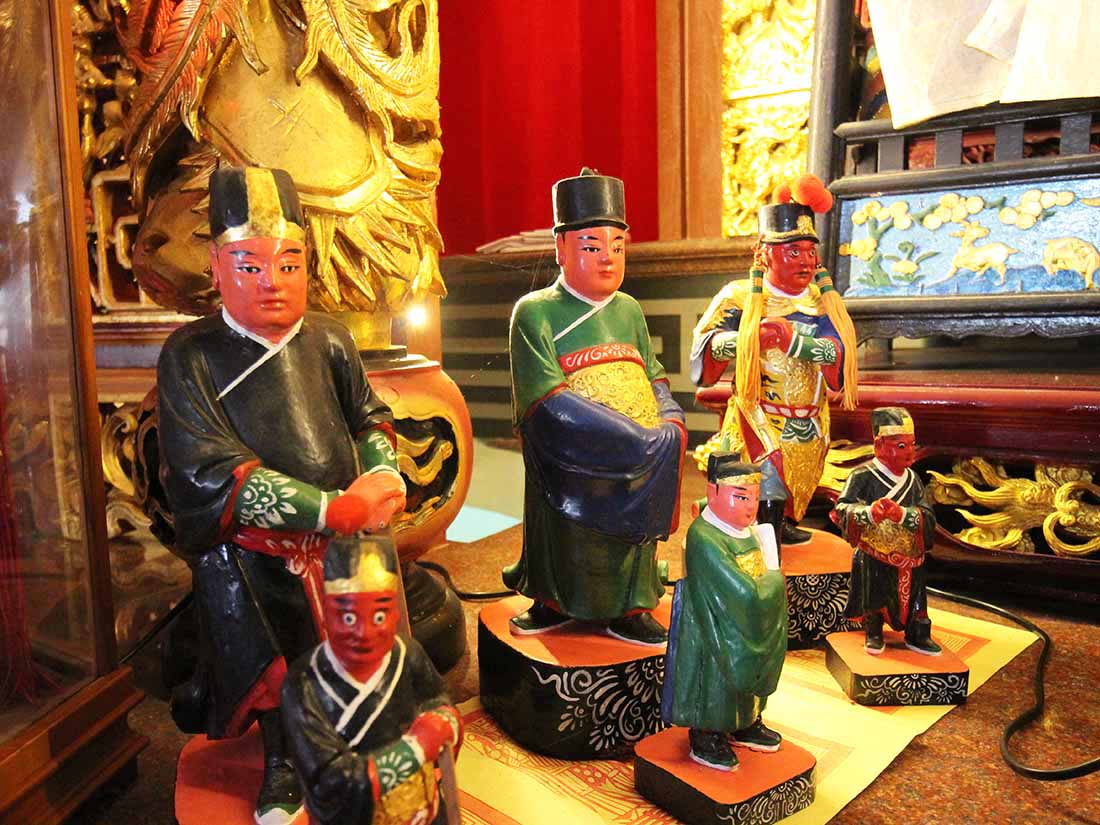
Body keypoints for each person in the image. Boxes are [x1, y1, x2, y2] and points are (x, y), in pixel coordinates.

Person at [157, 166, 407, 825]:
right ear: (216, 268)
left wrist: (383, 476)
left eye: (288, 264)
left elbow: (369, 418)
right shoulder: (191, 355)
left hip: (346, 546)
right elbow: (207, 470)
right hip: (254, 555)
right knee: (277, 674)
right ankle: (283, 760)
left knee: (357, 653)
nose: (272, 281)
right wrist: (327, 508)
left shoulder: (329, 339)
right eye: (250, 265)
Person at [502, 168, 686, 647]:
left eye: (618, 247)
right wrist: (622, 435)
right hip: (570, 454)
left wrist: (668, 415)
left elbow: (653, 371)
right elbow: (544, 397)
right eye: (592, 246)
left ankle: (631, 605)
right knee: (565, 530)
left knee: (631, 532)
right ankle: (553, 600)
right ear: (561, 248)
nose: (608, 258)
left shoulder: (629, 309)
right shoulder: (535, 312)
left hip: (641, 456)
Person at [691, 175, 858, 546]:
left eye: (809, 252)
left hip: (809, 417)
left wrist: (794, 343)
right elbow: (704, 349)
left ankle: (779, 526)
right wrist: (746, 340)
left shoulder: (822, 302)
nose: (805, 261)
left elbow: (839, 354)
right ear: (764, 253)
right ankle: (761, 535)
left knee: (796, 484)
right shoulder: (738, 297)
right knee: (762, 480)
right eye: (793, 252)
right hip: (759, 414)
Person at [282, 538, 461, 825]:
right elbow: (331, 781)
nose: (364, 633)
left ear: (395, 613)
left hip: (421, 809)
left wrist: (444, 721)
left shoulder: (407, 654)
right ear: (327, 612)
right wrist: (415, 749)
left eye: (379, 615)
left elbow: (438, 701)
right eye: (348, 617)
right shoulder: (304, 684)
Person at [661, 453, 787, 771]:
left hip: (748, 624)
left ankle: (745, 721)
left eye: (755, 498)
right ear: (713, 492)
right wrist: (774, 581)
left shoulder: (749, 531)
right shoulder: (705, 537)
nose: (750, 507)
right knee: (714, 681)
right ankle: (708, 733)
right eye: (740, 497)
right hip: (713, 625)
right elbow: (743, 592)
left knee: (750, 669)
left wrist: (763, 589)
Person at [832, 407, 940, 656]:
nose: (910, 451)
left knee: (916, 598)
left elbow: (928, 515)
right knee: (875, 595)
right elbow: (841, 509)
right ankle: (874, 631)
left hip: (910, 556)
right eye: (901, 446)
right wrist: (870, 513)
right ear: (879, 445)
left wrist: (902, 515)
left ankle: (917, 632)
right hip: (875, 555)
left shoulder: (913, 480)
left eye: (912, 444)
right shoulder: (862, 476)